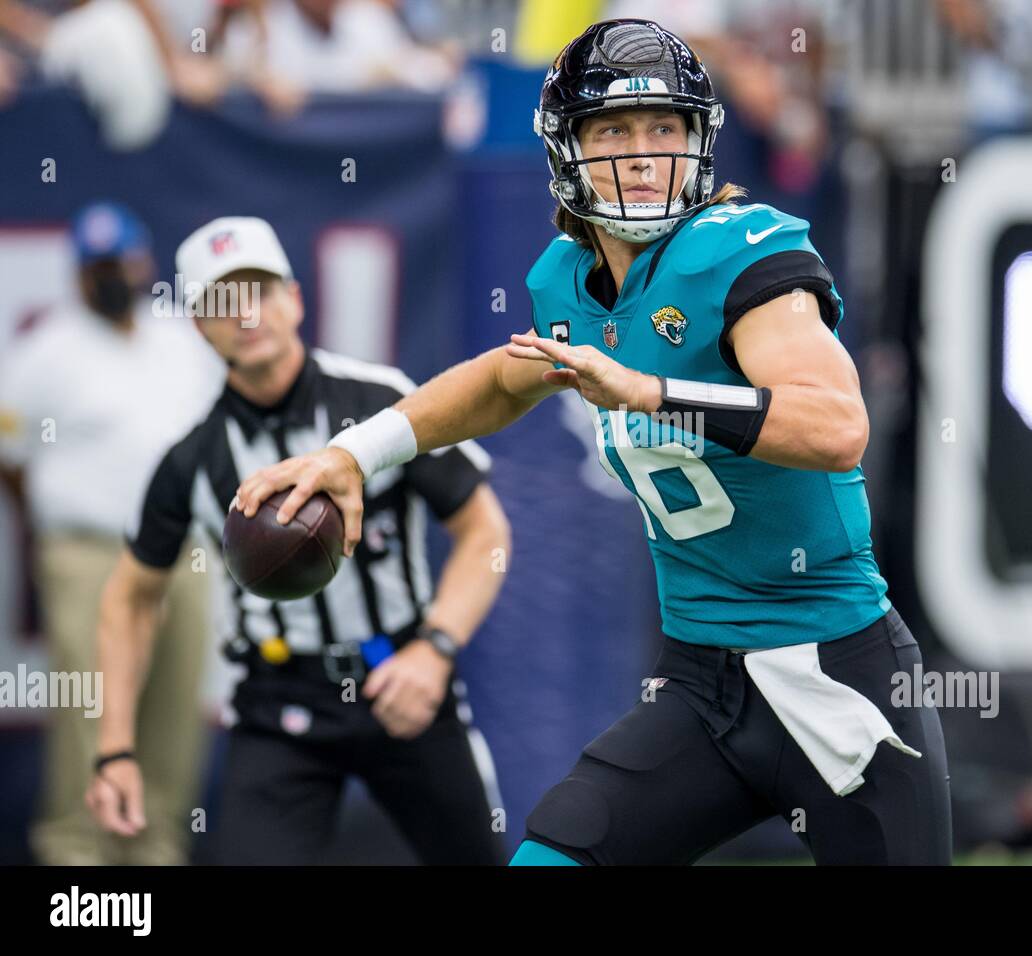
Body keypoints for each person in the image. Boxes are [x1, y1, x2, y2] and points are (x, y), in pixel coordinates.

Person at [233, 19, 953, 865]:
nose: (644, 153)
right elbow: (502, 382)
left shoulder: (740, 255)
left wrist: (649, 391)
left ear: (699, 143)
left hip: (838, 677)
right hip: (702, 687)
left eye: (665, 128)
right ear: (567, 151)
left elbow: (837, 428)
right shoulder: (564, 282)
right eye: (614, 129)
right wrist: (355, 453)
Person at [86, 216, 511, 865]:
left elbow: (485, 531)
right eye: (221, 299)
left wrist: (436, 648)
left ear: (295, 298)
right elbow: (129, 600)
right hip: (278, 699)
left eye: (258, 289)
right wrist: (114, 748)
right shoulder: (192, 460)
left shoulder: (381, 405)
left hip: (402, 677)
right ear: (198, 323)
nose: (245, 313)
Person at [0, 201, 224, 864]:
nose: (113, 276)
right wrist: (57, 522)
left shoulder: (181, 339)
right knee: (91, 713)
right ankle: (76, 855)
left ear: (144, 262)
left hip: (181, 552)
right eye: (98, 266)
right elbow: (11, 458)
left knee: (175, 708)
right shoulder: (47, 349)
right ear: (78, 274)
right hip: (90, 552)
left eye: (121, 261)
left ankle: (155, 854)